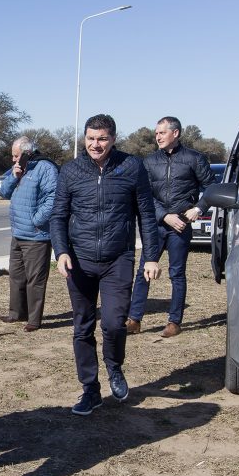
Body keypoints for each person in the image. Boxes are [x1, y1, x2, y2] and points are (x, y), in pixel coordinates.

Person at [51, 114, 161, 416]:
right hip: (80, 261)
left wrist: (151, 256)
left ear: (112, 138)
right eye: (90, 138)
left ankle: (114, 367)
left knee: (114, 323)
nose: (94, 144)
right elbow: (58, 216)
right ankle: (90, 389)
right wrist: (61, 251)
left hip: (118, 259)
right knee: (82, 327)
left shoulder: (131, 167)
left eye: (101, 139)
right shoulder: (71, 170)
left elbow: (146, 216)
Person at [126, 117, 215, 339]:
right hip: (155, 225)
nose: (157, 137)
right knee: (143, 271)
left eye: (162, 133)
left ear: (175, 133)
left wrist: (198, 208)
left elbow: (212, 186)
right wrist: (164, 215)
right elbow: (143, 194)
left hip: (181, 227)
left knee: (177, 273)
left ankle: (175, 322)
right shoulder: (148, 161)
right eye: (156, 133)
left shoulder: (194, 158)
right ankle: (134, 319)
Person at [0, 136, 57, 332]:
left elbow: (53, 196)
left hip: (36, 235)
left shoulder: (45, 168)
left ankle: (34, 319)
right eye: (13, 156)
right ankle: (16, 312)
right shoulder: (17, 168)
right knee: (16, 275)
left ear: (27, 152)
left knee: (35, 280)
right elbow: (4, 192)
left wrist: (37, 220)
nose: (14, 159)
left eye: (17, 155)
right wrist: (14, 176)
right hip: (18, 233)